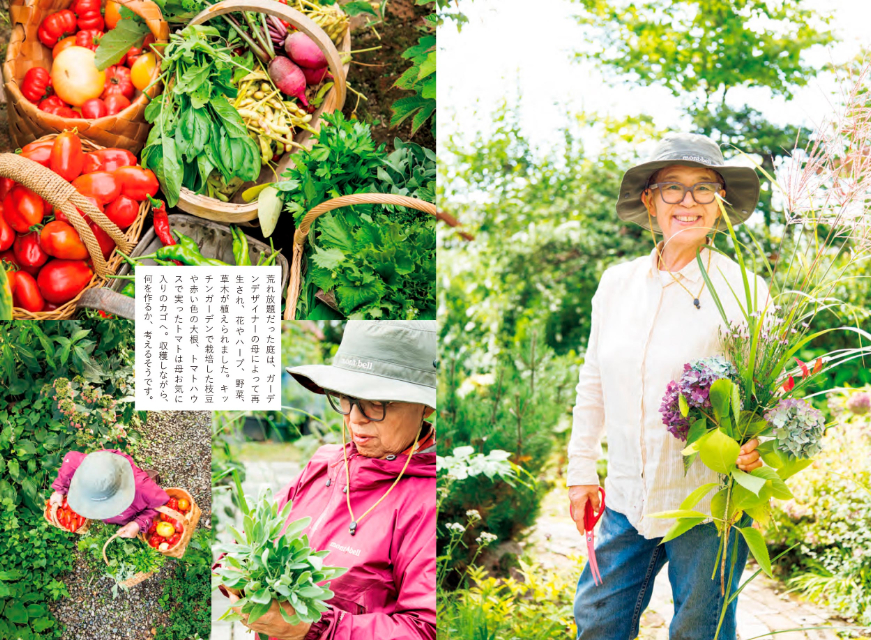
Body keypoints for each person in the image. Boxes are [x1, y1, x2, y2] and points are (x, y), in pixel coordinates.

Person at [568, 133, 768, 639]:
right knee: (597, 622)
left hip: (707, 501)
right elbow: (593, 380)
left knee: (700, 630)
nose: (688, 201)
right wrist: (579, 471)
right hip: (625, 495)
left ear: (720, 205)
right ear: (649, 200)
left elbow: (764, 392)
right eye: (672, 188)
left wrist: (758, 440)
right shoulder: (616, 284)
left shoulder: (743, 288)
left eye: (704, 188)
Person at [223, 320, 437, 640]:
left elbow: (425, 630)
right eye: (346, 398)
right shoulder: (326, 461)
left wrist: (316, 627)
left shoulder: (427, 503)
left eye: (377, 403)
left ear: (425, 407)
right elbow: (252, 541)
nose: (354, 417)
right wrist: (235, 574)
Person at [50, 449, 169, 538]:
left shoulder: (140, 487)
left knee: (144, 500)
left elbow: (162, 504)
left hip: (134, 505)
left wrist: (138, 524)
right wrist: (60, 489)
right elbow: (71, 459)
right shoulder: (87, 466)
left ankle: (151, 477)